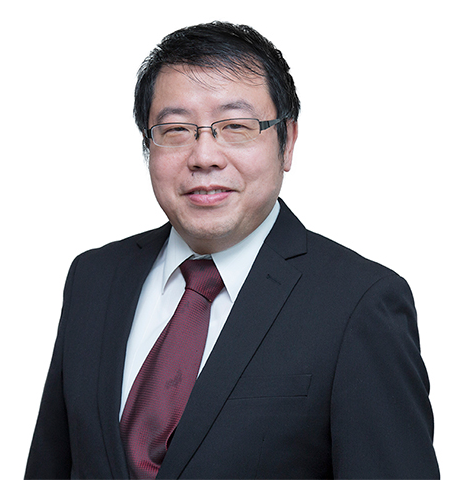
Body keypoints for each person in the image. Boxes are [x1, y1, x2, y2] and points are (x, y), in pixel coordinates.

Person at [25, 21, 440, 479]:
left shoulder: (360, 303)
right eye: (176, 129)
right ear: (148, 145)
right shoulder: (94, 278)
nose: (204, 156)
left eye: (236, 126)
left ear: (287, 143)